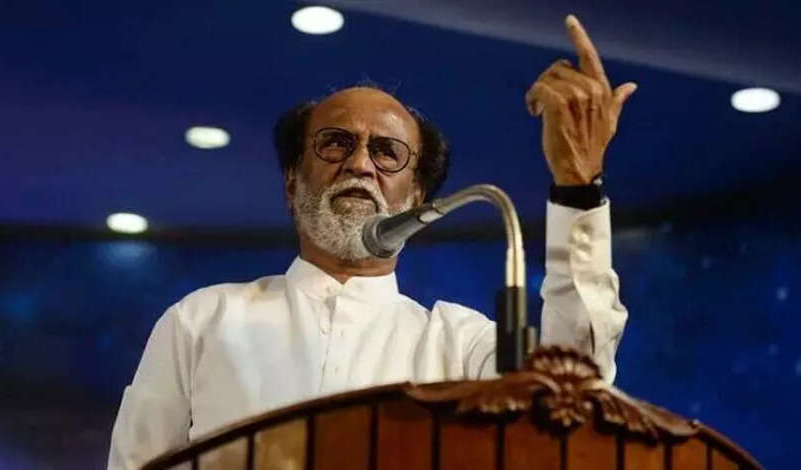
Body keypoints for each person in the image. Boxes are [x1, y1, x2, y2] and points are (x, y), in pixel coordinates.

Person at [108, 14, 635, 469]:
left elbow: (572, 393)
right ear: (292, 181)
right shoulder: (202, 321)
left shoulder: (458, 346)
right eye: (336, 143)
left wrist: (577, 187)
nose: (360, 163)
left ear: (417, 195)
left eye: (387, 152)